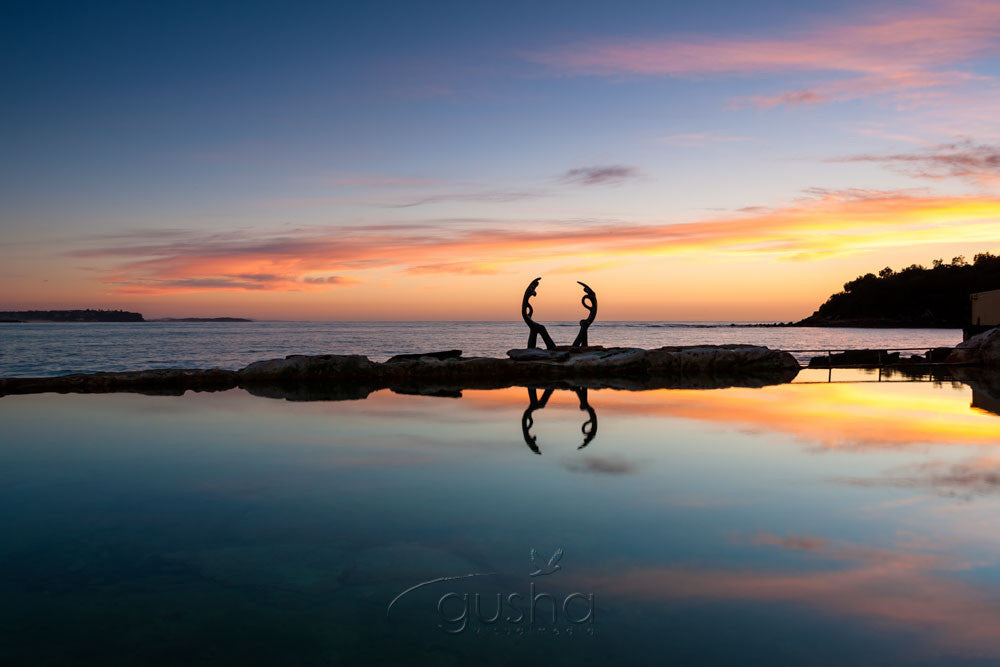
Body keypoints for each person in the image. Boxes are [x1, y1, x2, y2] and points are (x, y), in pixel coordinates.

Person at [521, 277, 557, 349]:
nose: (536, 286)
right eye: (535, 285)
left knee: (534, 329)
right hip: (525, 314)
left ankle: (531, 348)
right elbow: (532, 294)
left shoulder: (530, 290)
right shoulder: (529, 290)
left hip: (526, 314)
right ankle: (551, 347)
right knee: (540, 328)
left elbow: (529, 299)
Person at [571, 281, 597, 348]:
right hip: (591, 316)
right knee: (584, 325)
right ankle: (584, 345)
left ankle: (577, 345)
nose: (585, 291)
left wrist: (582, 284)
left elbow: (587, 289)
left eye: (586, 290)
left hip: (591, 317)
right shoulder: (591, 296)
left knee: (584, 324)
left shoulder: (592, 295)